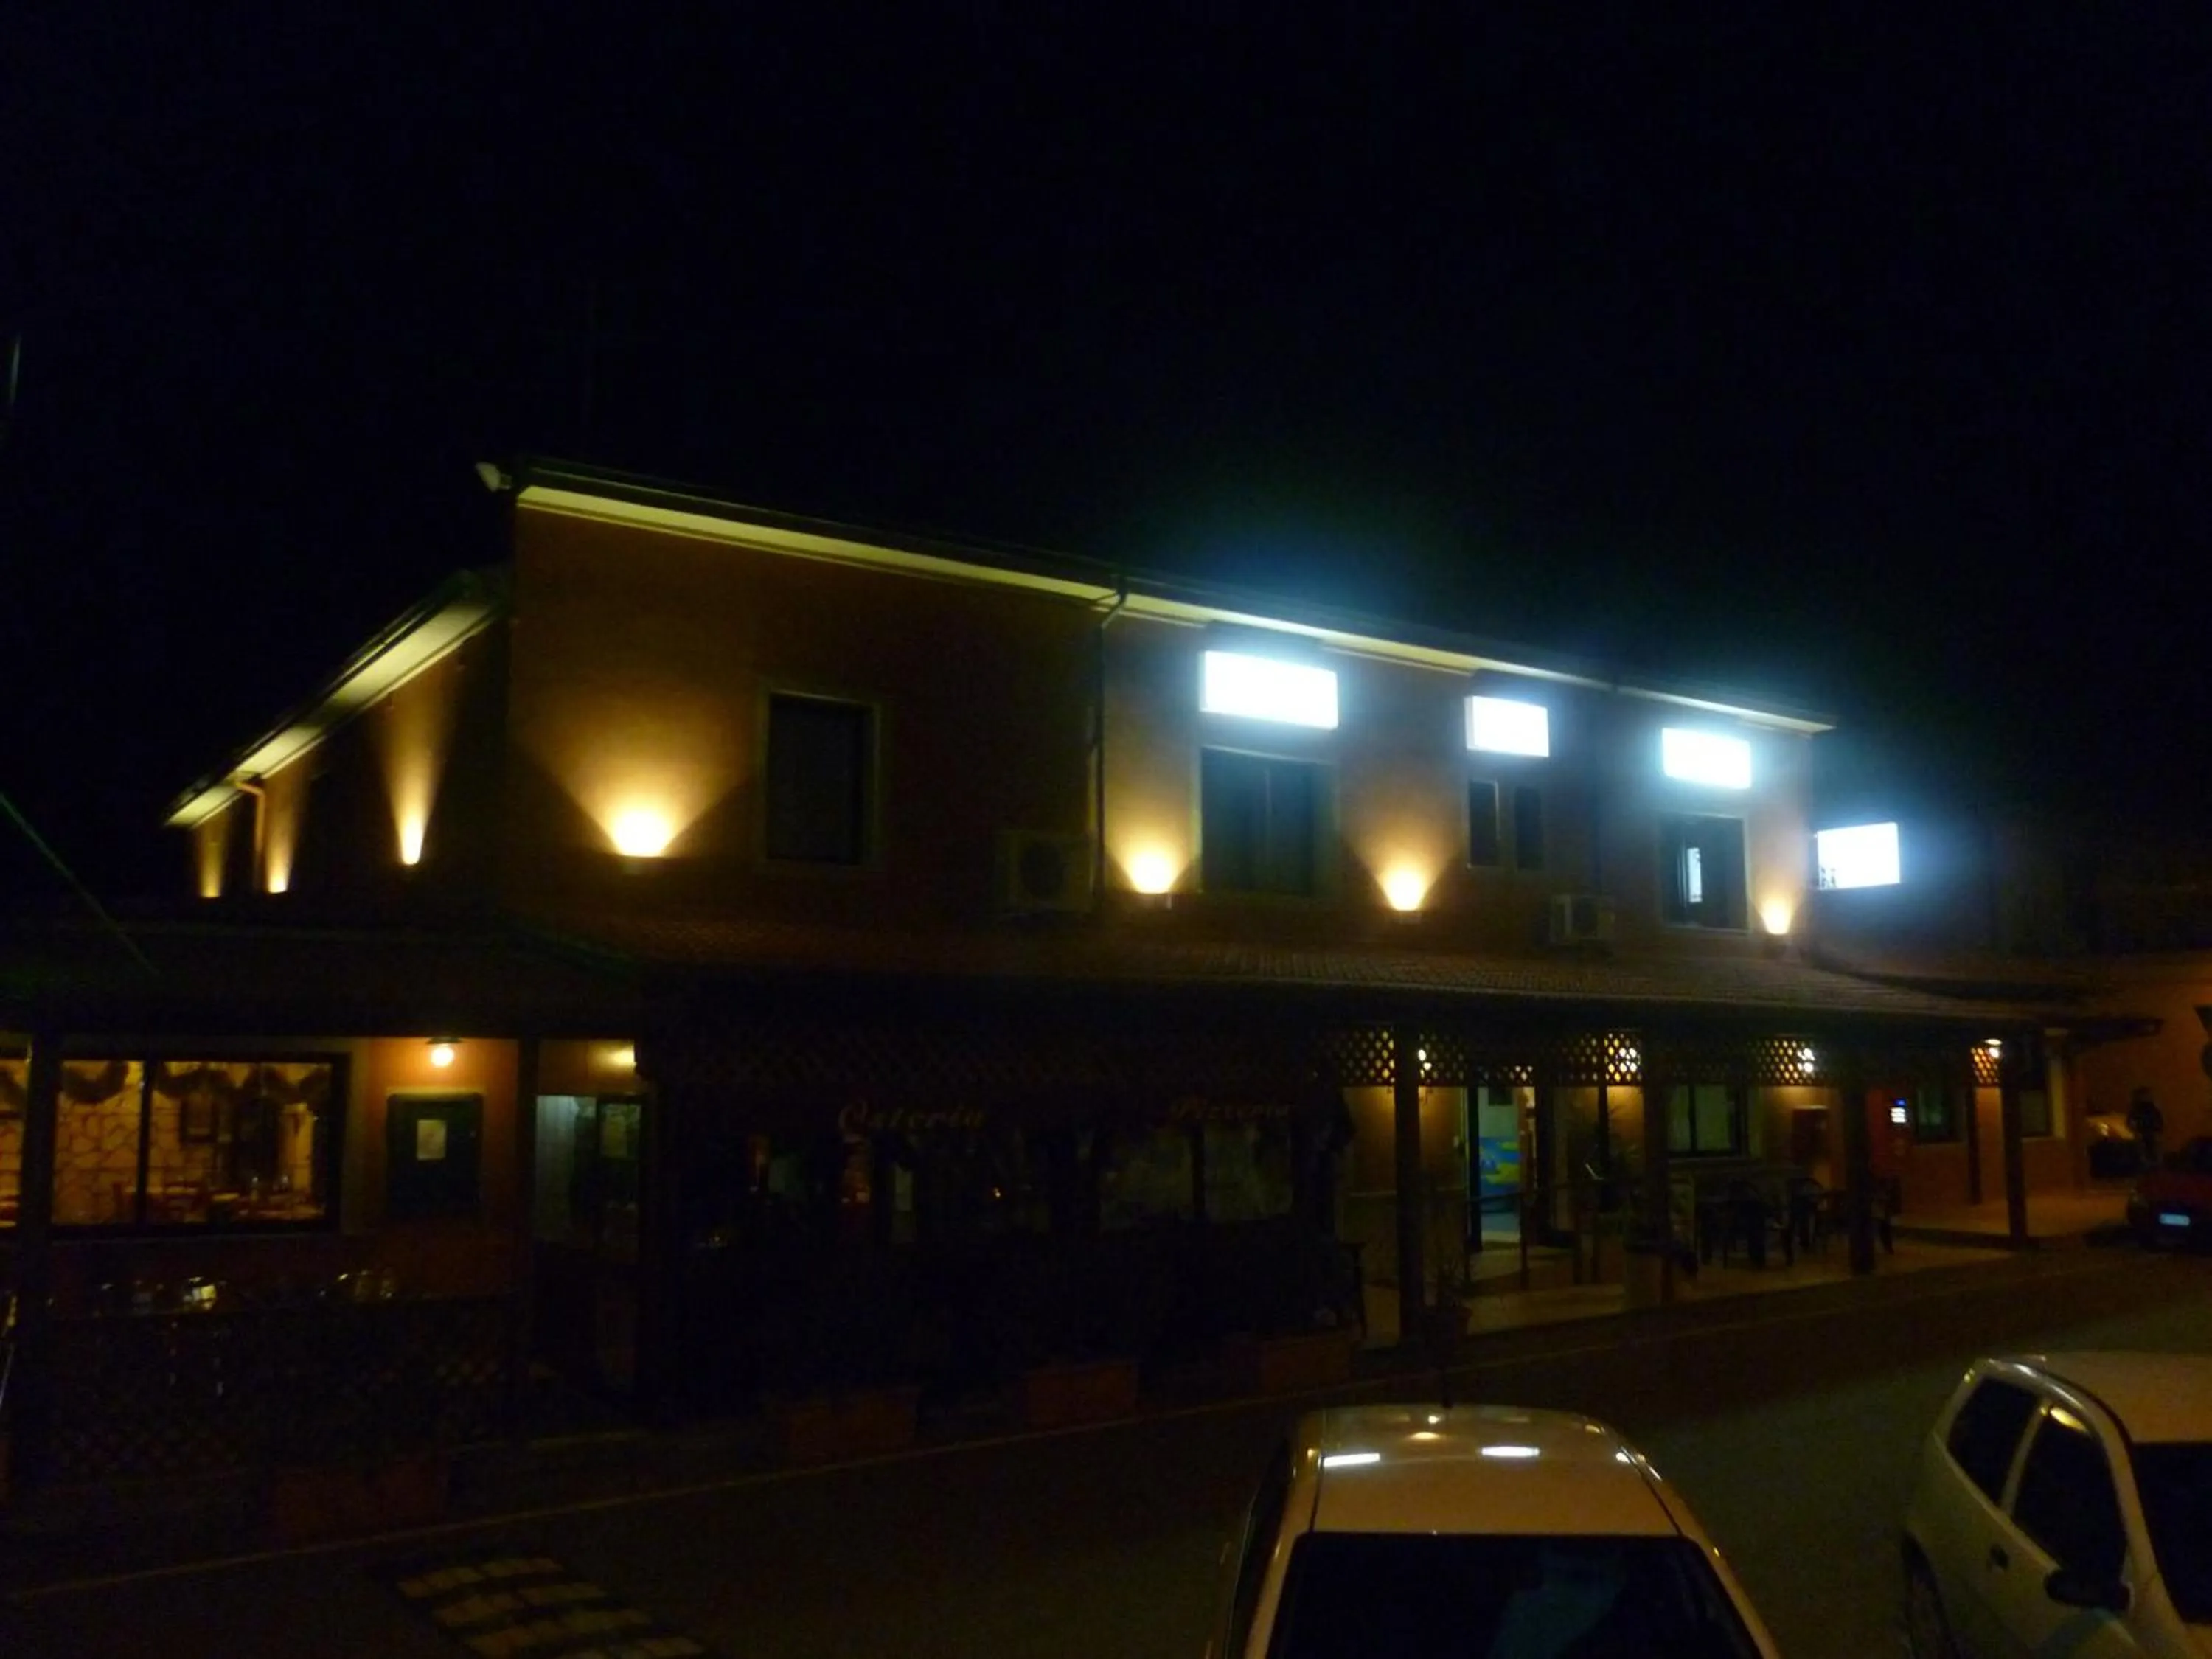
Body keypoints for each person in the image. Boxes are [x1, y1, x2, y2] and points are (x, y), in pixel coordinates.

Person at [2126, 1086, 2166, 1170]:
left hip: (2150, 1132)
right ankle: (2148, 1164)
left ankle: (2153, 1164)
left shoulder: (2151, 1109)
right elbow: (2131, 1121)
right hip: (2144, 1132)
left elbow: (2158, 1119)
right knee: (2145, 1149)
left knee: (2152, 1148)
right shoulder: (2139, 1109)